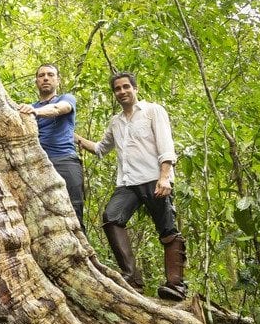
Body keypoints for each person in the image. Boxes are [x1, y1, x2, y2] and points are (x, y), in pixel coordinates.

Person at [74, 72, 187, 301]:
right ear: (114, 93)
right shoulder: (116, 122)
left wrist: (164, 177)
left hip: (154, 178)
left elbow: (166, 145)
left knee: (167, 230)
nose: (122, 91)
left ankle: (176, 285)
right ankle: (132, 278)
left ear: (135, 89)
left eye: (126, 87)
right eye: (118, 89)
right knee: (111, 217)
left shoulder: (153, 111)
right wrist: (74, 137)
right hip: (128, 182)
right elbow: (100, 148)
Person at [18, 64, 85, 233]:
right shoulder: (30, 107)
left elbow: (60, 109)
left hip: (65, 161)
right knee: (42, 216)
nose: (45, 78)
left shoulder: (66, 98)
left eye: (50, 75)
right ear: (36, 81)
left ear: (57, 80)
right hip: (37, 165)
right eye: (41, 75)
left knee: (74, 212)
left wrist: (35, 111)